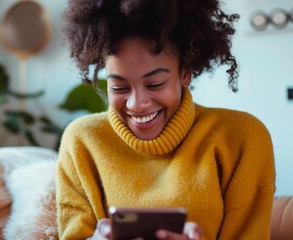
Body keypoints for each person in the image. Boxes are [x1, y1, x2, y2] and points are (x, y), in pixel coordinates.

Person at [56, 0, 276, 239]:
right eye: (118, 87)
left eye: (155, 84)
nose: (136, 104)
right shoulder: (82, 140)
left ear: (185, 74)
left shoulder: (242, 137)